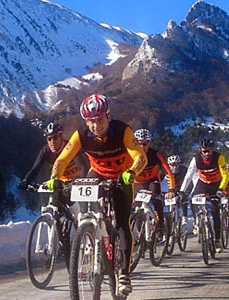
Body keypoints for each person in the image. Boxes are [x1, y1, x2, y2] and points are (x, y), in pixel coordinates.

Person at [47, 94, 147, 296]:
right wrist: (54, 177)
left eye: (99, 120)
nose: (95, 125)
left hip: (122, 177)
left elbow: (140, 157)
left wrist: (132, 173)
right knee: (86, 208)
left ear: (108, 117)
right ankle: (90, 236)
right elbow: (62, 159)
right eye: (91, 121)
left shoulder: (122, 131)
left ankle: (124, 274)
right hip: (98, 174)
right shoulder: (80, 135)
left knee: (121, 223)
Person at [18, 122, 88, 219]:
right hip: (60, 181)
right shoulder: (45, 151)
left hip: (76, 179)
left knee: (74, 207)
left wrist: (82, 181)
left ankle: (80, 225)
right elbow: (35, 168)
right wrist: (26, 181)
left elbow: (83, 166)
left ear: (61, 137)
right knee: (55, 205)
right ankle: (58, 228)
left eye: (55, 138)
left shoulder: (69, 147)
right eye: (49, 139)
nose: (52, 141)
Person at [179, 138, 229, 253]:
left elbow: (226, 175)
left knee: (215, 210)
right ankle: (197, 221)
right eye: (204, 151)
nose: (206, 154)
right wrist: (182, 191)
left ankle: (217, 239)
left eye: (209, 151)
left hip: (217, 184)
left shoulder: (219, 158)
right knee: (192, 200)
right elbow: (189, 175)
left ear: (212, 150)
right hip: (203, 183)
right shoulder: (196, 159)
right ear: (200, 150)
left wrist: (221, 189)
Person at [133, 129, 176, 230]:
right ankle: (139, 233)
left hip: (152, 180)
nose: (142, 147)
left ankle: (160, 224)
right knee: (137, 207)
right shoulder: (132, 154)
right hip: (137, 182)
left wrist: (171, 189)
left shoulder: (155, 154)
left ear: (149, 142)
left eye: (145, 143)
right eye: (139, 144)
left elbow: (168, 171)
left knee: (157, 198)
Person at [166, 155, 196, 225]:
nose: (175, 167)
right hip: (172, 189)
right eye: (172, 165)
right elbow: (159, 180)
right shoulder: (166, 170)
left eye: (177, 164)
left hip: (183, 188)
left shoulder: (184, 170)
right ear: (169, 165)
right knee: (168, 200)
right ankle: (170, 217)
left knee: (183, 199)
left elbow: (190, 183)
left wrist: (186, 193)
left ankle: (185, 216)